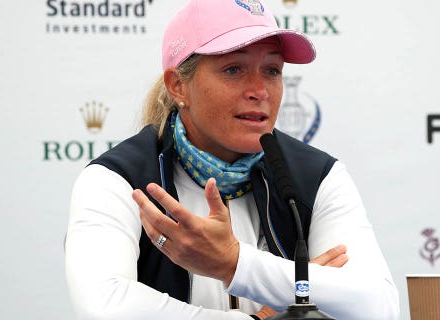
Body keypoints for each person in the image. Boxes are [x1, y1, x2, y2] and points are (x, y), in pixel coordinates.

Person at [65, 0, 399, 319]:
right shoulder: (117, 178)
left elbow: (377, 306)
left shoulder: (317, 176)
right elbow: (102, 306)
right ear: (178, 86)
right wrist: (285, 301)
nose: (260, 90)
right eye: (234, 69)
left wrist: (234, 263)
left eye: (271, 70)